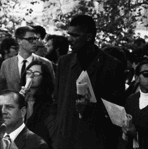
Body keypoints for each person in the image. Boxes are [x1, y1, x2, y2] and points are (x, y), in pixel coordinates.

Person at [50, 14, 126, 149]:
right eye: (69, 34)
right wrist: (54, 131)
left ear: (89, 37)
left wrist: (93, 108)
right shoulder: (64, 62)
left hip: (95, 141)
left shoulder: (112, 66)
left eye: (75, 35)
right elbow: (56, 102)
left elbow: (118, 112)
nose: (70, 39)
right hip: (64, 141)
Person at [0, 26, 55, 91]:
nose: (34, 42)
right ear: (19, 41)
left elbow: (52, 88)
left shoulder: (45, 63)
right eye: (30, 39)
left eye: (36, 39)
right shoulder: (6, 64)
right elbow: (2, 88)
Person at [20, 60, 54, 146]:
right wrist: (18, 100)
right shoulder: (18, 97)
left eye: (36, 74)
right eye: (28, 72)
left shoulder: (48, 104)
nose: (31, 76)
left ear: (44, 77)